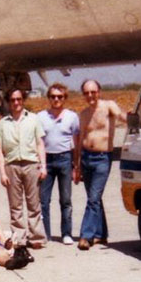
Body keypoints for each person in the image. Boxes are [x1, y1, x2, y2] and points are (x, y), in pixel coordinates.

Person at [0, 88, 47, 261]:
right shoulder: (3, 123)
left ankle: (36, 237)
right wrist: (2, 173)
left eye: (18, 99)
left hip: (31, 164)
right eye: (12, 100)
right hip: (12, 165)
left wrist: (43, 166)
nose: (16, 103)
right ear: (9, 102)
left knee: (34, 204)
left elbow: (40, 143)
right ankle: (19, 239)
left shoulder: (33, 119)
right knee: (15, 206)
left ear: (23, 100)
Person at [75, 79, 128, 250]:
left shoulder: (109, 106)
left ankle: (86, 236)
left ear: (99, 91)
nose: (90, 95)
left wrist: (133, 120)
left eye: (93, 92)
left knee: (93, 198)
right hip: (86, 158)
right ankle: (101, 234)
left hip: (102, 158)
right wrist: (77, 166)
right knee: (95, 198)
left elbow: (122, 117)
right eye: (86, 93)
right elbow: (80, 140)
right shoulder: (83, 114)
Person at [37, 83, 79, 244]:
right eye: (53, 96)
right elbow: (39, 141)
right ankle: (45, 234)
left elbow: (76, 142)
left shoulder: (72, 117)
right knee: (44, 200)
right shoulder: (41, 117)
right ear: (49, 98)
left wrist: (76, 165)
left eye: (60, 96)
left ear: (65, 98)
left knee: (66, 200)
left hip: (65, 159)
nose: (56, 99)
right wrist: (41, 164)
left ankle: (66, 233)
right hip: (47, 160)